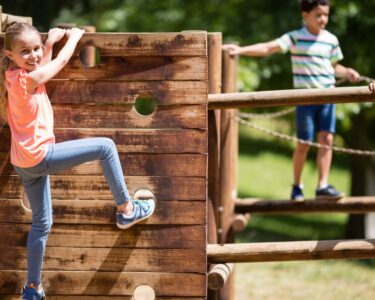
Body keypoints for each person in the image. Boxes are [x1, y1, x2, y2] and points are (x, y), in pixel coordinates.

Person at [0, 22, 155, 300]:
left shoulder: (15, 75)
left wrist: (47, 45)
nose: (33, 55)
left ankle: (32, 289)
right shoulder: (27, 79)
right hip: (40, 156)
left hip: (23, 162)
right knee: (106, 147)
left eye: (35, 48)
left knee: (41, 224)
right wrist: (74, 38)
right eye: (25, 51)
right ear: (9, 54)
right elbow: (58, 64)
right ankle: (127, 209)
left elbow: (42, 70)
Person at [223, 0, 360, 201]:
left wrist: (347, 72)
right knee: (303, 143)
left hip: (329, 96)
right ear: (305, 15)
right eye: (318, 15)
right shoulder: (295, 38)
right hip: (305, 98)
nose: (323, 19)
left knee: (327, 140)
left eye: (326, 15)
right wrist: (241, 51)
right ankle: (297, 186)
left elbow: (332, 66)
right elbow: (268, 48)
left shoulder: (331, 40)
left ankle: (323, 185)